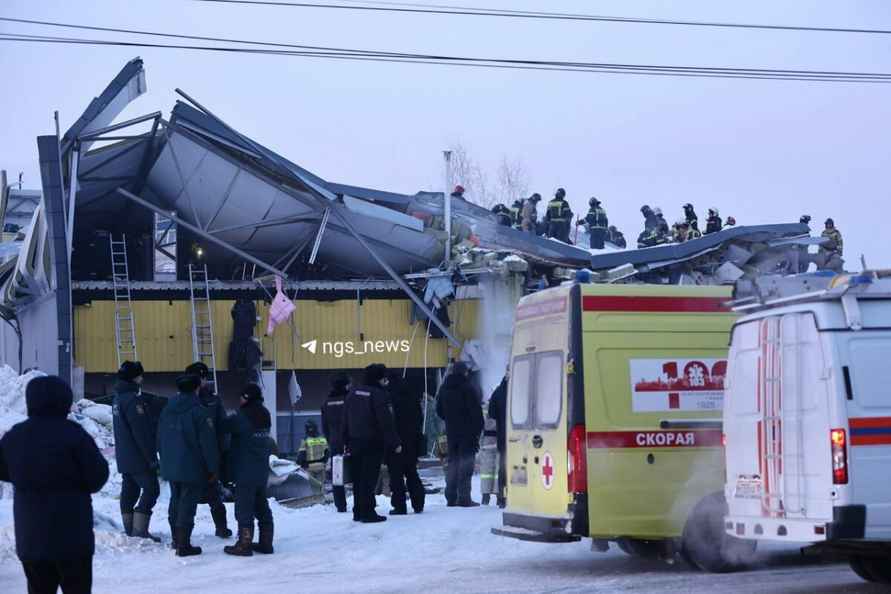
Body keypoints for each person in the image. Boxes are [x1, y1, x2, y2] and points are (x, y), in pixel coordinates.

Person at [0, 376, 109, 594]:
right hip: (73, 537)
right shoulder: (75, 435)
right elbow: (98, 476)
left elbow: (3, 470)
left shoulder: (15, 436)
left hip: (31, 535)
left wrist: (26, 479)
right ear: (64, 401)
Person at [158, 374, 219, 557]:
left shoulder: (167, 409)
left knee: (175, 500)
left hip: (170, 463)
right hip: (192, 466)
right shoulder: (199, 411)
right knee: (187, 504)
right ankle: (183, 544)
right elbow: (207, 443)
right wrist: (213, 468)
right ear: (196, 388)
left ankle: (176, 539)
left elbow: (159, 437)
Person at [342, 364, 401, 523]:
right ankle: (368, 512)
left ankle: (358, 511)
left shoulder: (353, 392)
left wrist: (345, 440)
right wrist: (395, 442)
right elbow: (385, 420)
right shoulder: (378, 394)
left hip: (354, 442)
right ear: (379, 378)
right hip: (372, 443)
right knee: (368, 479)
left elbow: (345, 419)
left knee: (358, 478)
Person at [112, 361, 162, 542]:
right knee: (152, 489)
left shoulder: (118, 398)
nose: (142, 378)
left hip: (124, 456)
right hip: (138, 456)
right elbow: (142, 433)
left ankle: (130, 529)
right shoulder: (133, 400)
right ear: (134, 377)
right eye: (140, 375)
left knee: (130, 489)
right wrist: (152, 459)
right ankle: (139, 530)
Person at [223, 384, 275, 557]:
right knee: (261, 506)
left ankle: (244, 544)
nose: (239, 400)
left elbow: (224, 426)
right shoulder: (265, 414)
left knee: (244, 508)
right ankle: (266, 542)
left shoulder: (242, 417)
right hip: (261, 469)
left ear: (247, 397)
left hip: (245, 470)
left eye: (242, 397)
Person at [184, 361, 231, 538]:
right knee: (187, 497)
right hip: (189, 455)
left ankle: (221, 528)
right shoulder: (183, 400)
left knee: (213, 494)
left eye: (203, 377)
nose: (202, 381)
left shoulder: (213, 399)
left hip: (209, 455)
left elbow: (222, 427)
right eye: (200, 377)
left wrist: (222, 453)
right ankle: (182, 535)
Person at [436, 361, 484, 507]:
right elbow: (476, 413)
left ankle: (451, 497)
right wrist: (477, 431)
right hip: (467, 433)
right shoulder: (468, 388)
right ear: (465, 372)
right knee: (466, 464)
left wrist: (450, 420)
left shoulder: (444, 388)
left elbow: (439, 411)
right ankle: (464, 497)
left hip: (451, 432)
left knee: (453, 463)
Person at [386, 372, 426, 515]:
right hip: (412, 441)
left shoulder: (389, 397)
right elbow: (420, 418)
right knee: (412, 472)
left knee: (396, 475)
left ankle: (399, 506)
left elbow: (387, 421)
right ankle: (418, 503)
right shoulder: (412, 396)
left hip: (395, 441)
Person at [321, 374, 350, 513]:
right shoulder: (349, 400)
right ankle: (362, 502)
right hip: (351, 441)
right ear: (345, 386)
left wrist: (331, 439)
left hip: (334, 442)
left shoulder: (327, 402)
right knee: (357, 472)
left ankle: (340, 505)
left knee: (337, 475)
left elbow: (324, 426)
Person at [487, 372, 508, 508]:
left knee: (503, 468)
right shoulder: (520, 389)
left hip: (503, 437)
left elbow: (491, 414)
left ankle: (502, 497)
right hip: (522, 437)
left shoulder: (498, 392)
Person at [297, 419, 329, 490]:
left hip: (309, 467)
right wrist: (324, 462)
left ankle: (315, 499)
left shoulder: (305, 439)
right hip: (321, 466)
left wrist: (299, 463)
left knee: (312, 487)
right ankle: (321, 499)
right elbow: (327, 452)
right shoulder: (322, 438)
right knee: (321, 486)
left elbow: (301, 454)